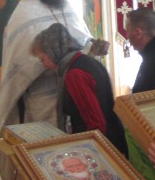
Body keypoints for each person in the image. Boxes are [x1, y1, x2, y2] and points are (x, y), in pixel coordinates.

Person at [0, 0, 102, 131]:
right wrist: (54, 61)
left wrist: (91, 47)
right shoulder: (24, 14)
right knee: (47, 139)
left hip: (72, 88)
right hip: (43, 93)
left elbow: (80, 38)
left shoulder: (66, 6)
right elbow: (21, 61)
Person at [32, 23, 128, 156]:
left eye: (42, 58)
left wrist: (89, 156)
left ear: (53, 52)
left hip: (104, 149)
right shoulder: (88, 61)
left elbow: (96, 124)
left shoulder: (75, 74)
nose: (43, 64)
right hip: (114, 141)